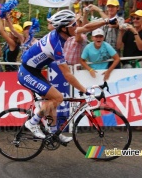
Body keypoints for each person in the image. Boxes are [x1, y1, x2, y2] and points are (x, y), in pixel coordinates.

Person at [18, 10, 112, 142]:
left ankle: (54, 134)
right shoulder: (55, 45)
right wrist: (85, 90)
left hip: (34, 71)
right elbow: (67, 74)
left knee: (52, 101)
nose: (76, 26)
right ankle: (32, 122)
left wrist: (106, 21)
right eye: (73, 24)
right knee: (58, 98)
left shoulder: (63, 33)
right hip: (26, 73)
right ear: (64, 28)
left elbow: (86, 27)